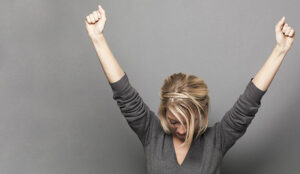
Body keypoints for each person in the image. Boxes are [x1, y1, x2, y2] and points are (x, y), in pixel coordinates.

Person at [84, 5, 295, 174]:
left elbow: (249, 102)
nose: (182, 130)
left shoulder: (217, 141)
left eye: (189, 121)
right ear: (164, 112)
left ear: (201, 115)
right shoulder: (151, 134)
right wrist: (97, 38)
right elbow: (124, 94)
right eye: (175, 121)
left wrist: (280, 50)